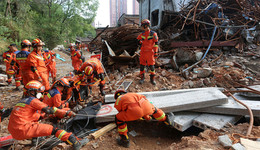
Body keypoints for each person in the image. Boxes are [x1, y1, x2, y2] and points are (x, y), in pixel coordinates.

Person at [8, 80, 87, 150]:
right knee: (56, 130)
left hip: (14, 132)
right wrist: (65, 113)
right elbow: (50, 110)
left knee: (36, 123)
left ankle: (35, 141)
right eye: (38, 92)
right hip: (24, 129)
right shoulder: (33, 100)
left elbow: (29, 116)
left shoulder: (20, 102)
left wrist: (43, 116)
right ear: (32, 91)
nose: (40, 94)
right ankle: (75, 143)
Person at [137, 19, 159, 85]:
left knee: (151, 66)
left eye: (142, 26)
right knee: (142, 66)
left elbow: (156, 44)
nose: (142, 27)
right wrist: (140, 43)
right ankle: (142, 78)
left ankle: (152, 79)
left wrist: (155, 53)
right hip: (143, 52)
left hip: (150, 53)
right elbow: (138, 40)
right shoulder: (142, 34)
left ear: (146, 25)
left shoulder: (153, 34)